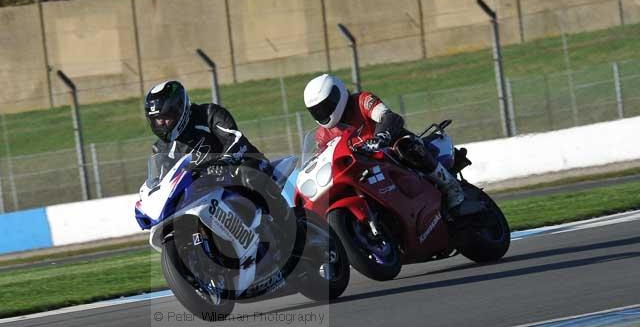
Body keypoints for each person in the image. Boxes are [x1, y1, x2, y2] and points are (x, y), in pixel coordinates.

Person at [303, 74, 474, 214]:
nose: (322, 113)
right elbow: (323, 157)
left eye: (325, 106)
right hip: (366, 170)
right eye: (317, 111)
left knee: (405, 146)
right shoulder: (322, 134)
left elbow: (389, 117)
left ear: (337, 96)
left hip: (391, 152)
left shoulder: (362, 101)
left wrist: (382, 136)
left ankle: (452, 188)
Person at [144, 79, 292, 225]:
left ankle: (289, 226)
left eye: (166, 118)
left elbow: (235, 138)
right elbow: (162, 182)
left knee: (248, 175)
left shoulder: (208, 114)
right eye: (157, 120)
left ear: (179, 109)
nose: (162, 124)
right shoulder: (161, 149)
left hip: (240, 167)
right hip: (204, 188)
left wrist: (223, 162)